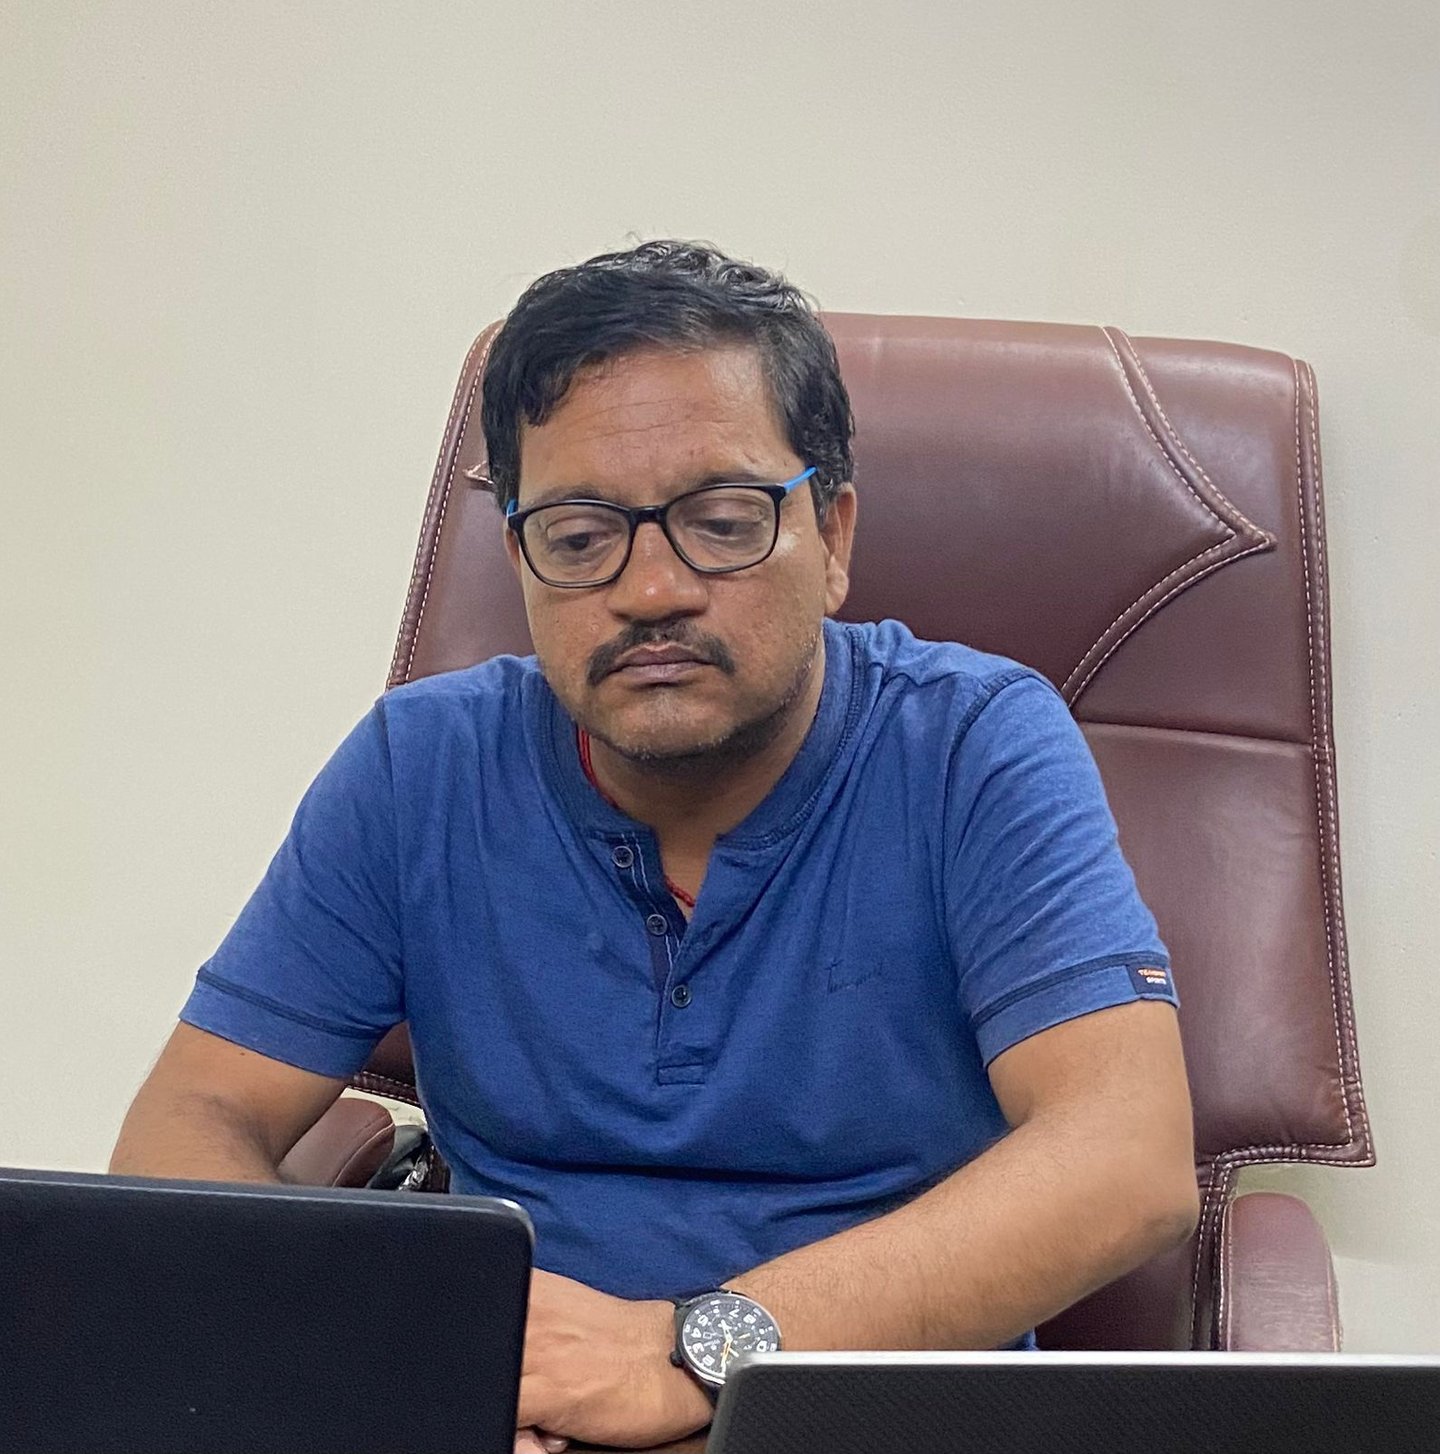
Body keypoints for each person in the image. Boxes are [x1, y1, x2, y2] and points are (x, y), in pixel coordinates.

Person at [112, 240, 1200, 1451]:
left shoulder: (972, 746)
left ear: (832, 535)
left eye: (721, 522)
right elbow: (186, 1122)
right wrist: (403, 1358)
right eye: (580, 537)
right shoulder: (420, 767)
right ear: (520, 558)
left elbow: (1128, 1159)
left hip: (867, 1418)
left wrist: (693, 1349)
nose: (650, 590)